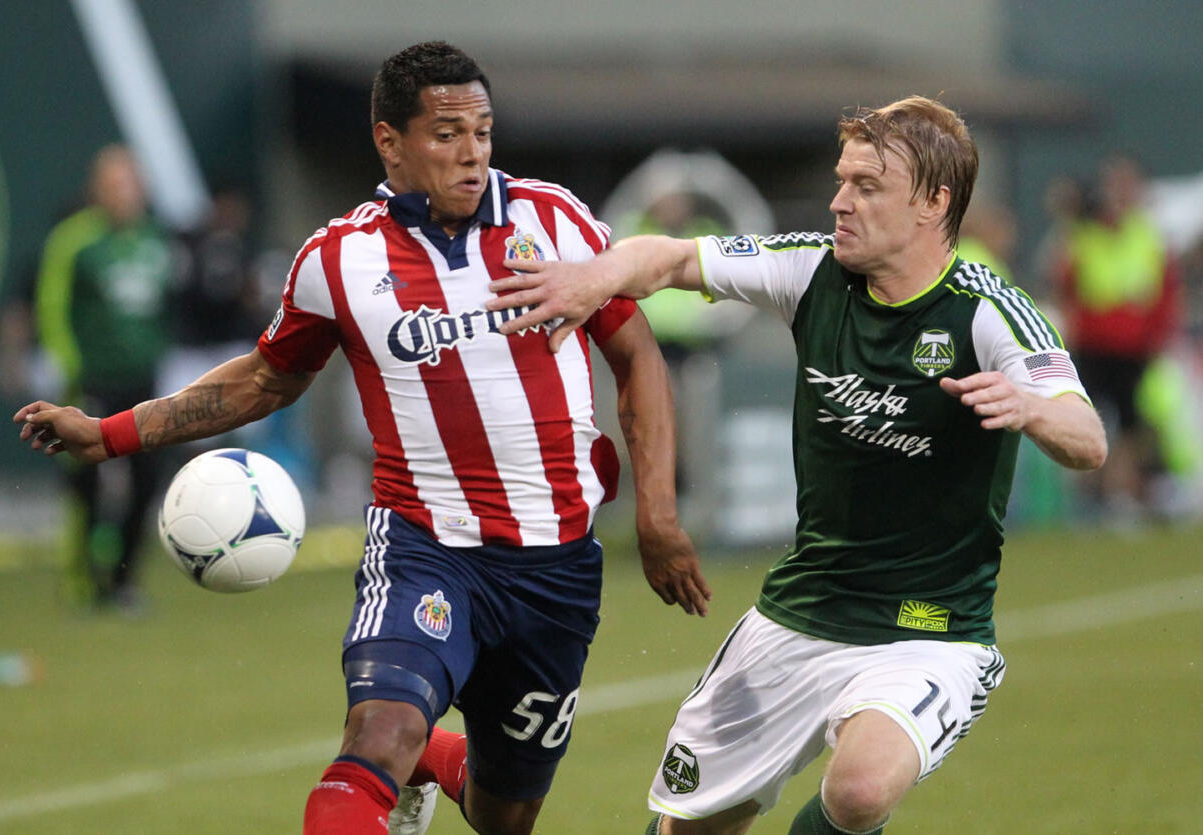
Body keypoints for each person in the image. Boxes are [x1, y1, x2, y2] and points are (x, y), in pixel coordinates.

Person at [14, 41, 710, 834]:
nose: (472, 152)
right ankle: (403, 752)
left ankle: (441, 759)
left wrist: (657, 515)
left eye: (483, 131)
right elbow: (264, 378)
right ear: (391, 142)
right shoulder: (337, 260)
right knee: (376, 735)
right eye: (447, 134)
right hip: (425, 546)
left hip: (556, 564)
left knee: (504, 814)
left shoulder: (556, 221)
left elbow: (639, 359)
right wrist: (110, 435)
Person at [486, 96, 1108, 834]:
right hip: (799, 616)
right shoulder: (811, 269)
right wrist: (595, 276)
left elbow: (1087, 436)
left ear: (933, 202)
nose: (840, 201)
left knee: (861, 789)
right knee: (691, 827)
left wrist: (1032, 407)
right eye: (841, 180)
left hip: (928, 632)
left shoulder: (988, 312)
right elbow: (674, 258)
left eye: (867, 186)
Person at [32, 145, 175, 612]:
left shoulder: (155, 239)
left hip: (143, 381)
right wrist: (67, 365)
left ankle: (122, 581)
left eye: (131, 183)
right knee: (86, 485)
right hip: (91, 380)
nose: (124, 194)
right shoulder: (74, 240)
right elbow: (51, 305)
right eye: (114, 185)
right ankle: (82, 582)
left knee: (147, 481)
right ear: (97, 190)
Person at [1047, 155, 1183, 520]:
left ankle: (1123, 495)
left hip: (1136, 349)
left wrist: (1159, 336)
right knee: (1088, 417)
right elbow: (1064, 281)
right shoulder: (1084, 233)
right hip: (1092, 345)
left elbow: (1165, 291)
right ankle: (1094, 498)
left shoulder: (1149, 236)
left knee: (1131, 424)